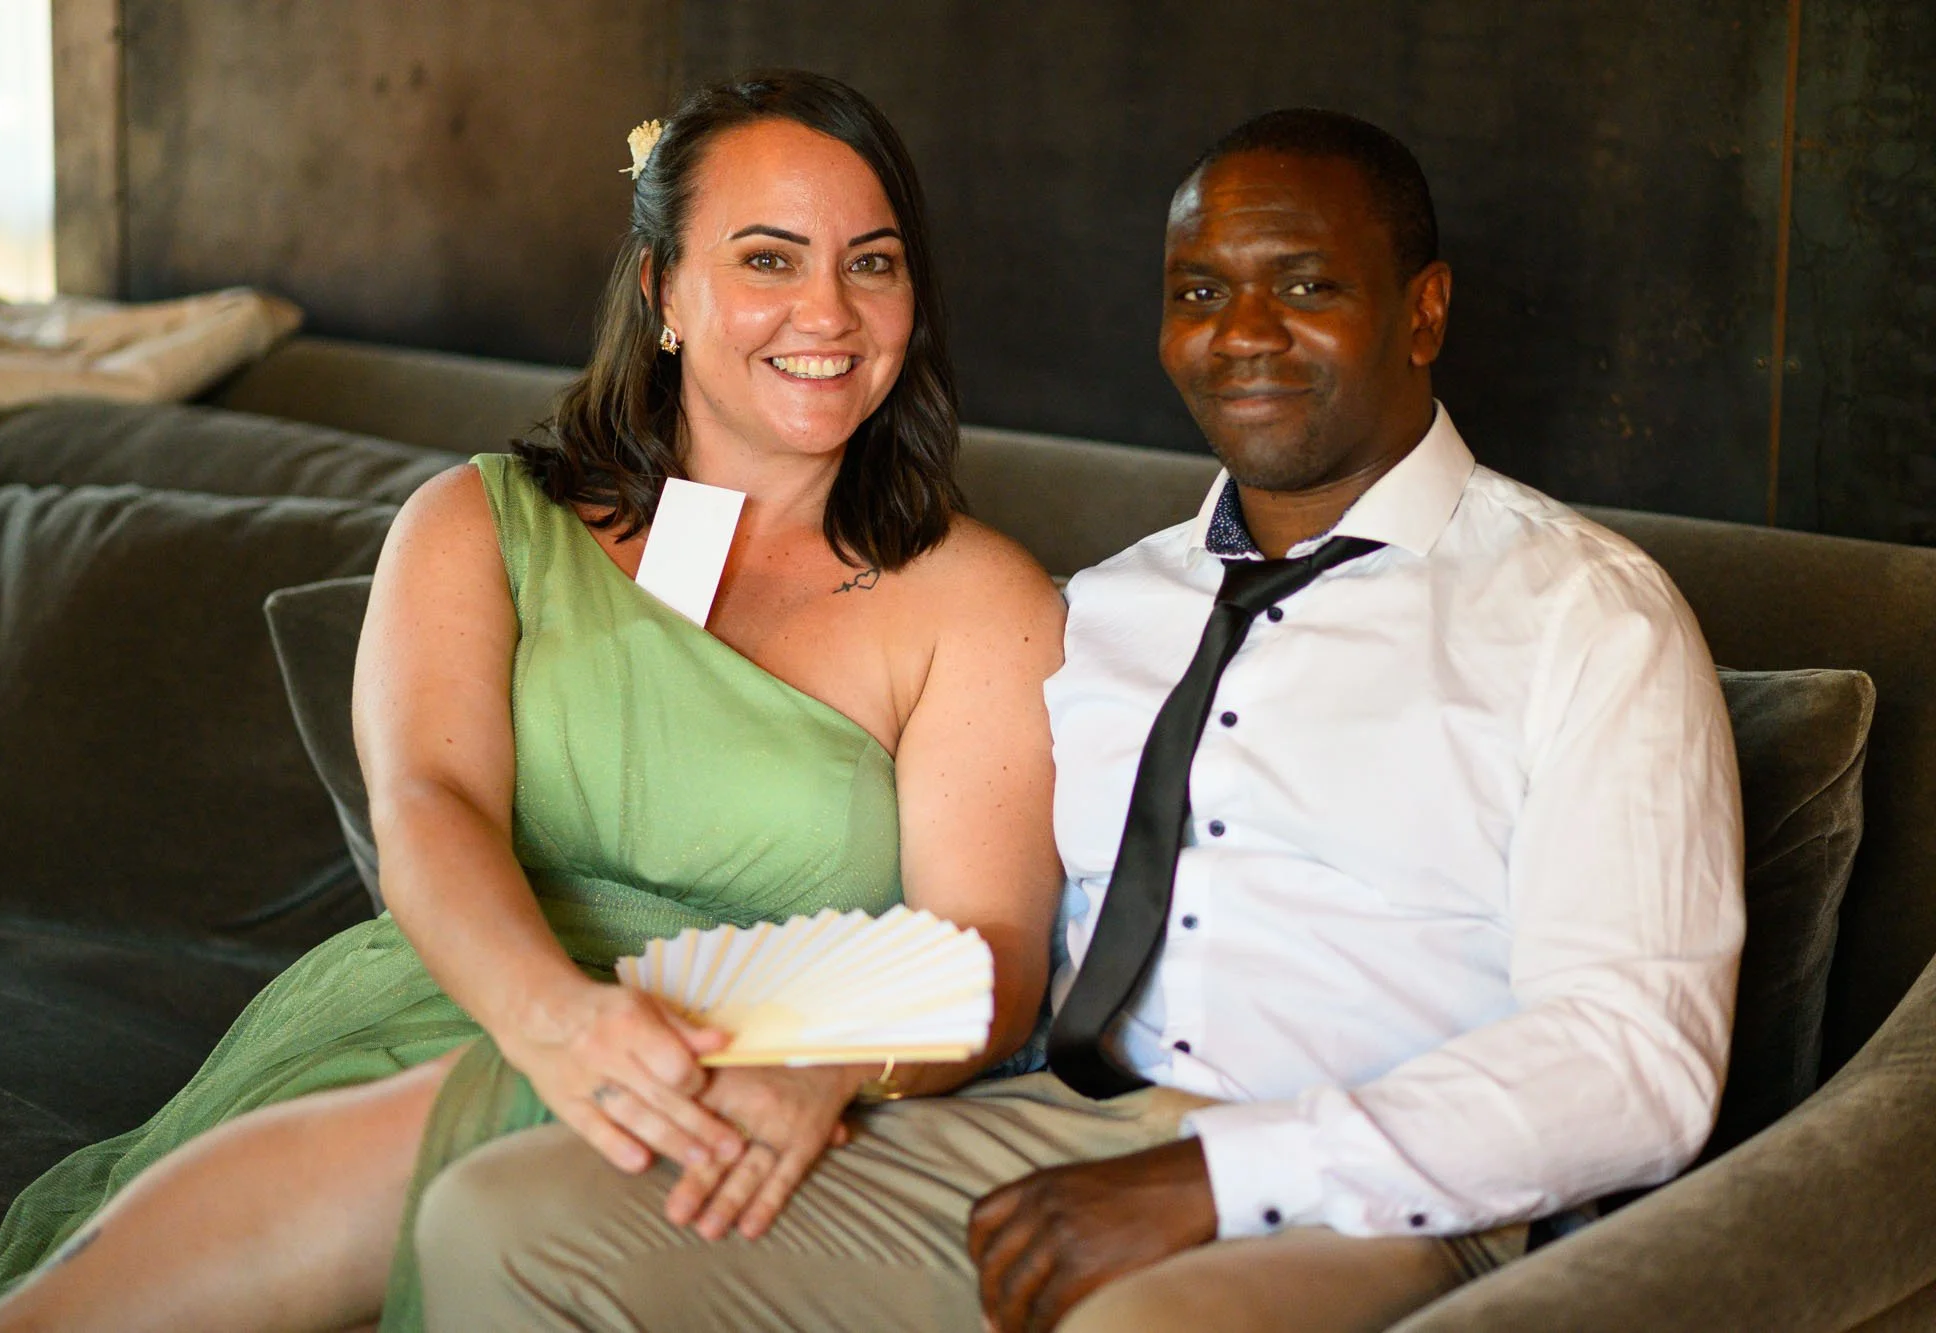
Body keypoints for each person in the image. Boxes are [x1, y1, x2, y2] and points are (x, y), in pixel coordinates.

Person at [410, 109, 1746, 1333]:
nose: (1246, 332)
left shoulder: (1587, 619)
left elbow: (1639, 1063)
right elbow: (978, 931)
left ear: (1424, 311)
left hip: (1383, 1201)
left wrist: (1216, 1176)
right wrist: (842, 1059)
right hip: (1038, 1129)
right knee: (506, 1221)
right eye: (1201, 292)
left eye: (1309, 285)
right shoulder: (1103, 610)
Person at [0, 70, 1068, 1333]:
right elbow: (428, 805)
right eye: (769, 257)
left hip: (754, 1074)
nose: (826, 308)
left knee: (603, 1132)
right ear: (660, 291)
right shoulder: (473, 526)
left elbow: (988, 948)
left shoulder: (982, 602)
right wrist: (554, 1026)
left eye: (870, 263)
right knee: (504, 1107)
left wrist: (824, 1065)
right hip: (459, 1000)